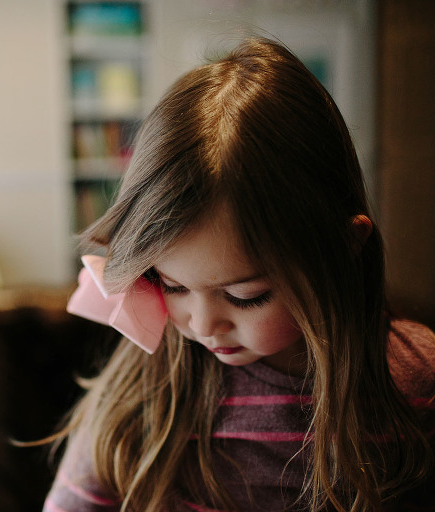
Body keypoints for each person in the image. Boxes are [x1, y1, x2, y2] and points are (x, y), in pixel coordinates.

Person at [43, 38, 435, 512]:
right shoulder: (149, 380)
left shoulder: (417, 380)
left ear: (344, 247)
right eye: (173, 285)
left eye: (246, 295)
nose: (204, 325)